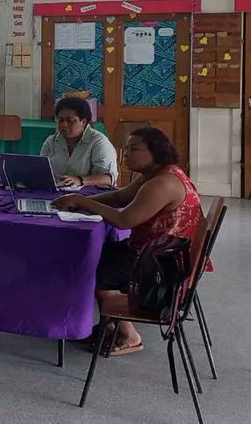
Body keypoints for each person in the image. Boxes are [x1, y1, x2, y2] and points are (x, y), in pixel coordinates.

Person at [53, 127, 202, 357]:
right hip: (153, 252)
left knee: (92, 270)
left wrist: (82, 200)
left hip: (161, 265)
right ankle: (109, 326)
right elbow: (120, 197)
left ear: (155, 152)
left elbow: (123, 220)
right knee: (95, 255)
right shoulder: (153, 175)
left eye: (134, 149)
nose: (126, 155)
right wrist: (80, 202)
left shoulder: (162, 184)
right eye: (126, 149)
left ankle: (129, 334)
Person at [40, 97, 118, 188]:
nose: (64, 125)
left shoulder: (99, 142)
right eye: (61, 120)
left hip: (93, 196)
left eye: (70, 120)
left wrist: (80, 180)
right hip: (58, 192)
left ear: (83, 122)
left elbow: (108, 179)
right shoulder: (51, 141)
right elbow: (41, 170)